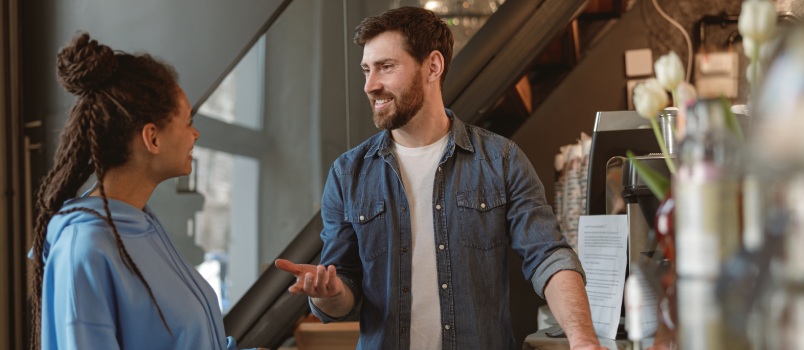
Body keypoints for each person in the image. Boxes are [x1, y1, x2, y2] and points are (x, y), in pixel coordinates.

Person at [275, 6, 605, 350]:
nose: (371, 85)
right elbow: (342, 292)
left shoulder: (501, 160)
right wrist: (327, 294)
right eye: (366, 70)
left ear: (432, 66)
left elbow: (548, 256)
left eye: (386, 67)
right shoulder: (348, 174)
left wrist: (583, 341)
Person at [28, 33, 243, 350]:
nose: (195, 134)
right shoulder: (84, 249)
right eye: (187, 122)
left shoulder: (140, 225)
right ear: (152, 139)